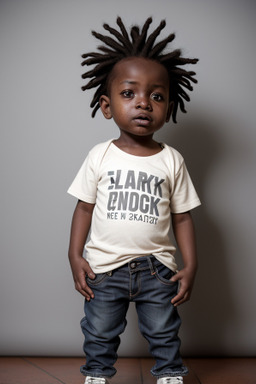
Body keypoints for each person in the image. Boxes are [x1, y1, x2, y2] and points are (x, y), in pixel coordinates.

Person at [68, 17, 201, 384]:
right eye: (129, 94)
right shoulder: (100, 155)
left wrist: (190, 265)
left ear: (169, 107)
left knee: (163, 330)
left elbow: (183, 217)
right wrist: (74, 255)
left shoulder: (171, 159)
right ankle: (96, 375)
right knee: (98, 330)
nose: (143, 103)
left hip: (158, 268)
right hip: (104, 268)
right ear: (107, 106)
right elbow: (84, 207)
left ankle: (170, 373)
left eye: (156, 96)